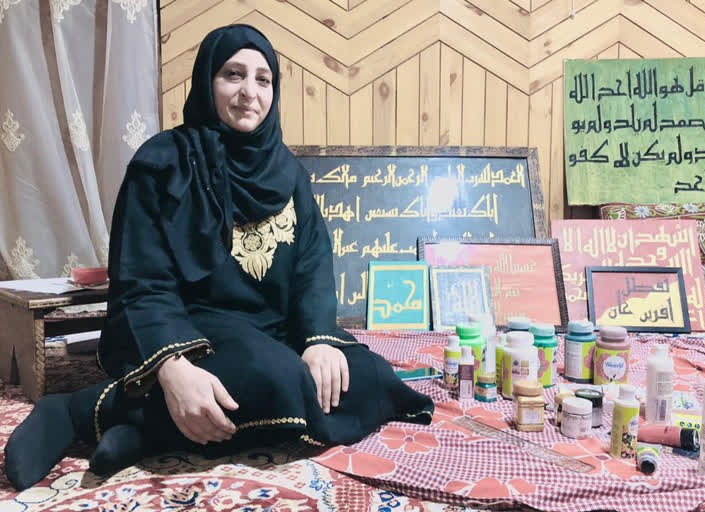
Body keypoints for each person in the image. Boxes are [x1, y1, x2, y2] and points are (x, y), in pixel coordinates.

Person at [4, 24, 434, 491]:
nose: (250, 92)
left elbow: (312, 266)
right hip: (189, 327)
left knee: (370, 376)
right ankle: (77, 411)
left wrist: (319, 340)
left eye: (263, 79)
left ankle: (144, 432)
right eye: (233, 74)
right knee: (275, 378)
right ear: (208, 80)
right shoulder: (162, 163)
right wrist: (173, 367)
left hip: (271, 331)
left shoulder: (288, 172)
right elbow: (144, 282)